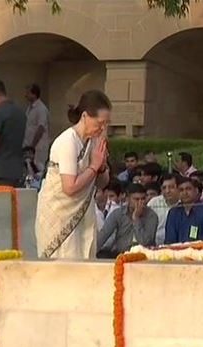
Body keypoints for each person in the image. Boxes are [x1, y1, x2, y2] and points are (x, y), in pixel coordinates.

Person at [35, 90, 111, 259]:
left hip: (82, 215)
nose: (103, 128)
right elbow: (69, 187)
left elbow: (102, 183)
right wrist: (94, 166)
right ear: (85, 116)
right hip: (59, 216)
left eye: (106, 124)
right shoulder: (67, 141)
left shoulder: (93, 142)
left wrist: (102, 167)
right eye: (100, 123)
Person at [97, 183, 158, 258]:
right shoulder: (118, 213)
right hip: (121, 254)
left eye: (143, 199)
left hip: (144, 256)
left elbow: (145, 242)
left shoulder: (151, 215)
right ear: (128, 199)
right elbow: (103, 234)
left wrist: (136, 218)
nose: (140, 203)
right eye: (136, 199)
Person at [165, 177, 203, 244]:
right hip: (177, 252)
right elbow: (169, 241)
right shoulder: (173, 212)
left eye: (188, 189)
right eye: (181, 190)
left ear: (196, 191)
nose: (185, 193)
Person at [23, 84, 50, 172]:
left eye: (28, 93)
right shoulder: (29, 108)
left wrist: (32, 146)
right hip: (29, 146)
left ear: (34, 94)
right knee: (29, 169)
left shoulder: (41, 109)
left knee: (38, 169)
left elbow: (41, 128)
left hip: (38, 147)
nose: (25, 95)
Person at [148, 173, 180, 245]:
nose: (167, 191)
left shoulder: (184, 203)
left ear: (178, 188)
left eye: (171, 187)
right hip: (155, 245)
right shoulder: (154, 202)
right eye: (164, 188)